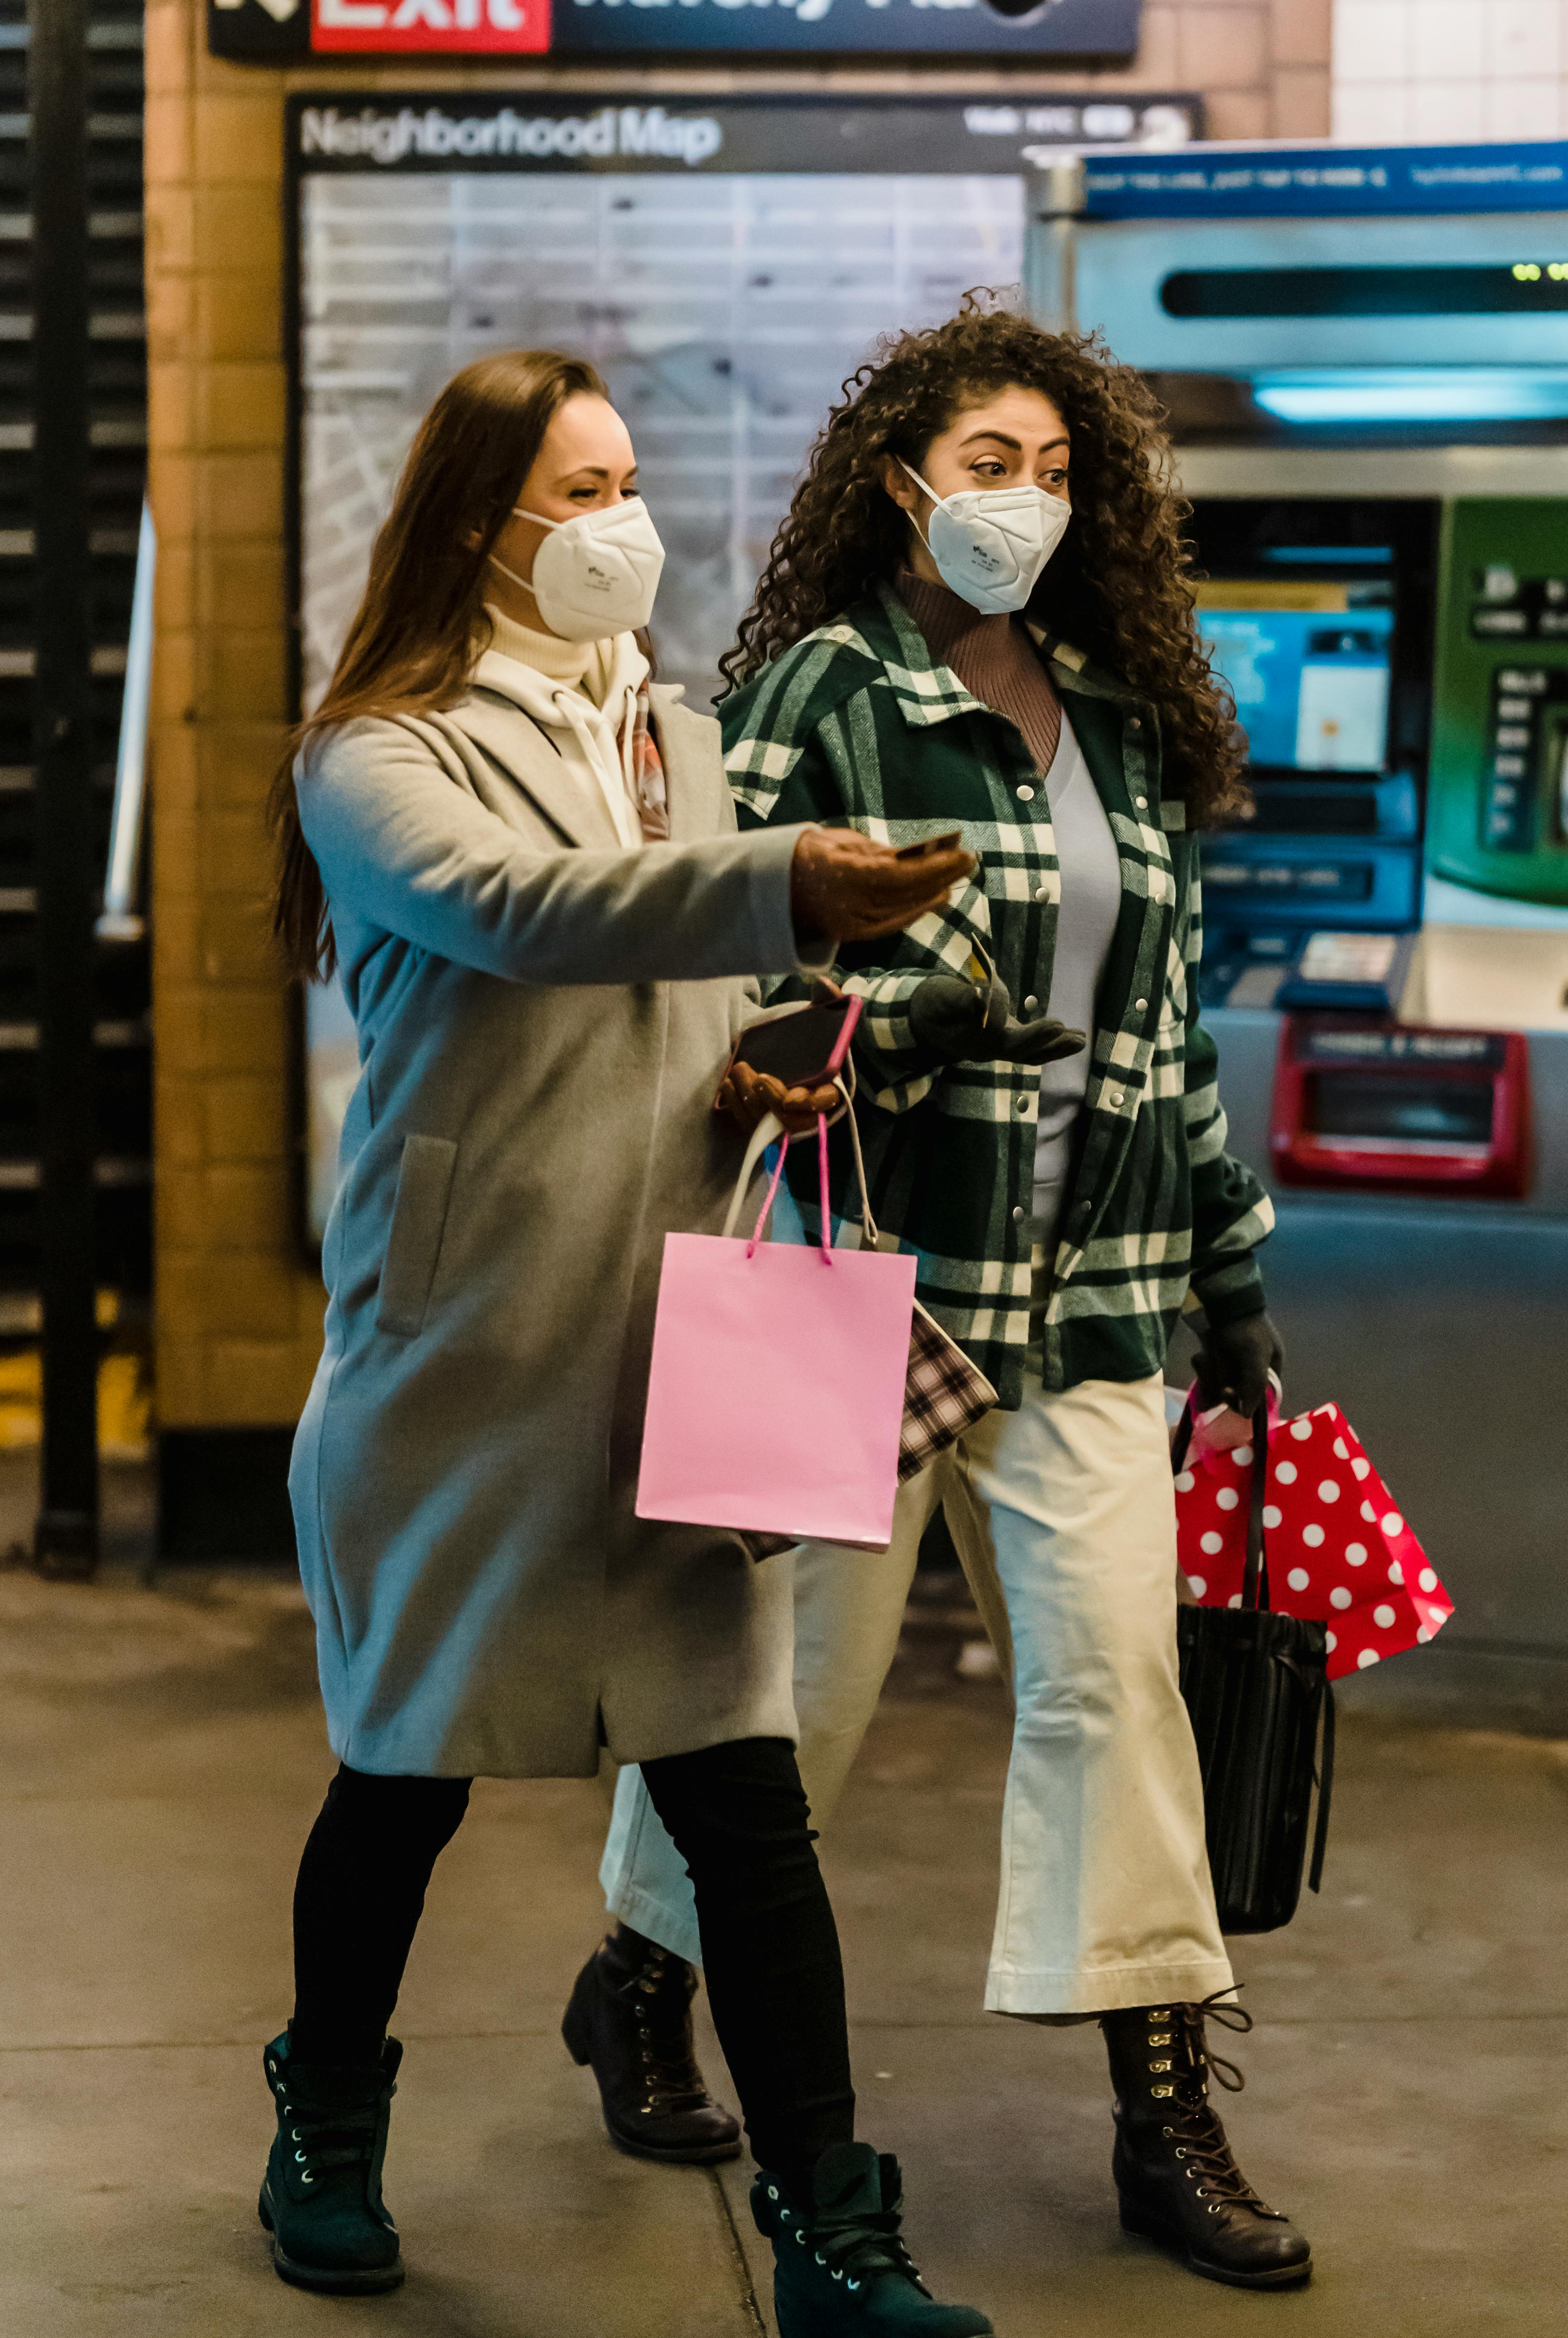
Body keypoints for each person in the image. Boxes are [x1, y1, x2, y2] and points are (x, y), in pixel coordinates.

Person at [581, 300, 1312, 2294]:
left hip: (1087, 1297)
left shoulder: (1121, 704)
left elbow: (1162, 1030)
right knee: (788, 1704)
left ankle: (1162, 2111)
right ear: (898, 476)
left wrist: (1229, 1273)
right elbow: (745, 983)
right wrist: (933, 994)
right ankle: (636, 1978)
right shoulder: (828, 687)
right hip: (863, 1292)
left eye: (1060, 472)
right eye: (988, 464)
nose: (1027, 503)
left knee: (1113, 1689)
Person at [263, 346, 993, 2338]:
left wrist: (764, 1070)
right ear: (473, 525)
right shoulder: (375, 753)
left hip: (678, 1356)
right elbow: (525, 912)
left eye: (626, 482)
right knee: (402, 1774)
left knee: (742, 1801)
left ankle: (833, 2224)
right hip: (470, 1364)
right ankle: (324, 2112)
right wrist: (787, 879)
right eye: (573, 494)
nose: (618, 525)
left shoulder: (671, 728)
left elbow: (678, 983)